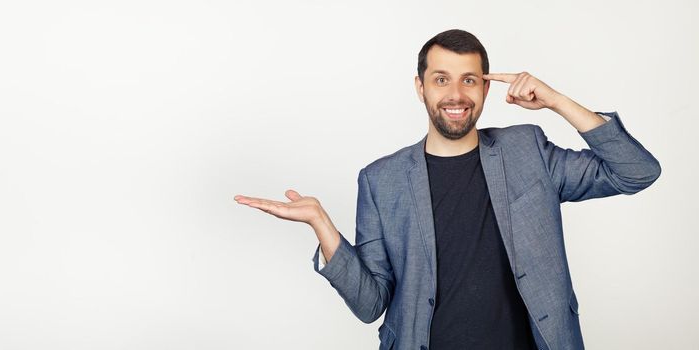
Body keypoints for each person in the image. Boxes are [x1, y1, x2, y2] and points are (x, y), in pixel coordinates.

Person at [234, 29, 660, 350]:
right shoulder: (381, 180)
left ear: (486, 88)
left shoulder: (526, 150)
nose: (455, 94)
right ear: (420, 87)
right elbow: (370, 304)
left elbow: (636, 172)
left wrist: (556, 100)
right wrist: (322, 226)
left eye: (469, 80)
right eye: (441, 79)